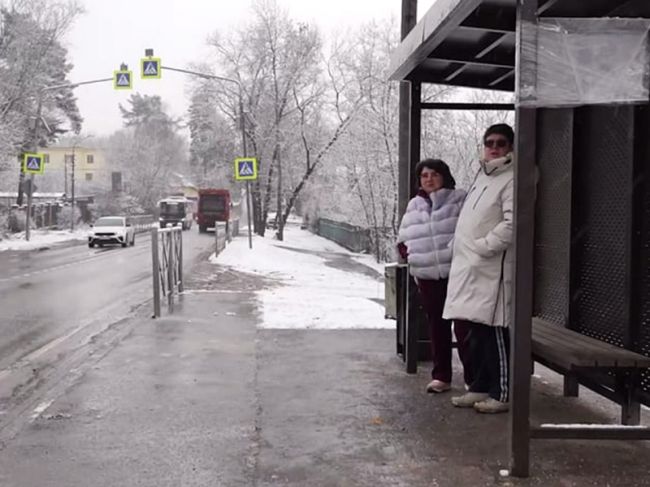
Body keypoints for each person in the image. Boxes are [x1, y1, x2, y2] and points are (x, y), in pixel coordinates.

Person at [443, 123, 515, 414]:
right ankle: (481, 387)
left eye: (500, 142)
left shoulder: (512, 178)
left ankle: (502, 393)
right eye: (489, 142)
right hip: (471, 267)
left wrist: (483, 247)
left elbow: (514, 223)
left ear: (511, 146)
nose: (494, 147)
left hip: (492, 270)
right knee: (477, 331)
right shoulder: (484, 175)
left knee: (495, 331)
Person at [397, 158, 471, 393]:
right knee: (437, 328)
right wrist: (410, 257)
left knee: (464, 328)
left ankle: (473, 377)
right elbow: (403, 239)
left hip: (457, 274)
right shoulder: (414, 205)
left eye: (434, 174)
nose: (429, 179)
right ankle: (441, 376)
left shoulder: (459, 200)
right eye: (424, 175)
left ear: (444, 176)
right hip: (428, 277)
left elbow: (472, 231)